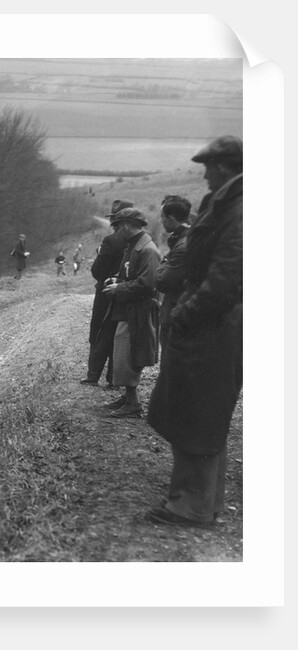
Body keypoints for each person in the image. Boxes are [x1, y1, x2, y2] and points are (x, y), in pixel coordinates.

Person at [145, 136, 242, 527]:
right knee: (199, 410)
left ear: (222, 168)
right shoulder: (228, 203)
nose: (203, 175)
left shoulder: (239, 209)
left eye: (208, 168)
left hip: (214, 326)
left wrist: (185, 314)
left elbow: (226, 278)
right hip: (214, 324)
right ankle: (203, 501)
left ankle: (191, 506)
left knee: (199, 413)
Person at [101, 207, 161, 418]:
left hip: (139, 312)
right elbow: (131, 273)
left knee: (130, 354)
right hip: (129, 310)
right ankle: (128, 397)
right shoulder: (133, 246)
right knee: (123, 353)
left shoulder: (148, 250)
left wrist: (120, 288)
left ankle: (133, 403)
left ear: (126, 226)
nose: (116, 231)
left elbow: (148, 284)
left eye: (118, 226)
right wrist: (118, 279)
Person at [79, 199, 132, 387]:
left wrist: (101, 254)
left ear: (114, 220)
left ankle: (93, 375)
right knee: (118, 334)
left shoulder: (111, 240)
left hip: (106, 292)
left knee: (99, 330)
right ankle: (113, 378)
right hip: (128, 292)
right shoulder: (138, 240)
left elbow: (97, 271)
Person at [155, 195, 193, 350]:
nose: (161, 221)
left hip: (176, 311)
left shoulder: (182, 245)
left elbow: (162, 281)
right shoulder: (184, 239)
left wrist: (164, 262)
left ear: (170, 218)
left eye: (162, 217)